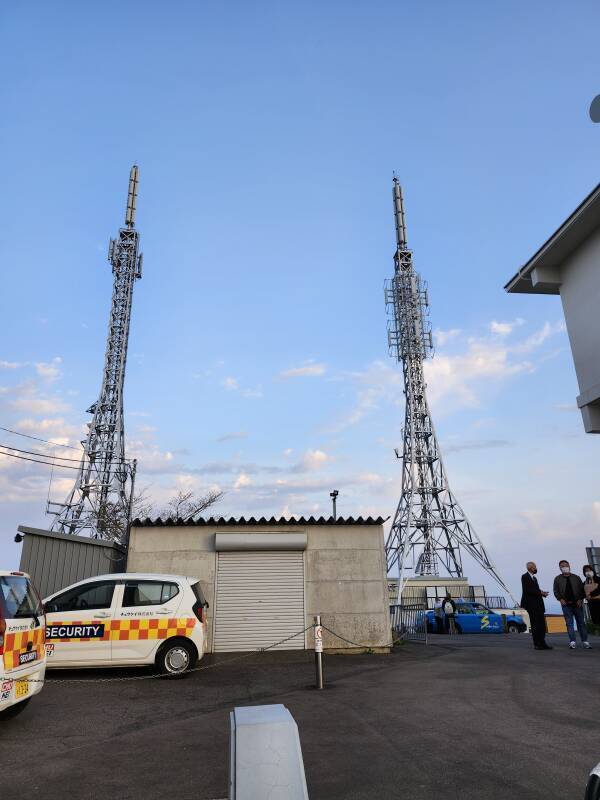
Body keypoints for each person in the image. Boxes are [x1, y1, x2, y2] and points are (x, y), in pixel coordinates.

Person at [553, 560, 591, 649]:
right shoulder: (557, 579)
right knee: (569, 624)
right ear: (560, 568)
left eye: (566, 565)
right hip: (566, 605)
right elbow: (556, 590)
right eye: (562, 566)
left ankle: (585, 641)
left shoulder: (576, 577)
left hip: (577, 604)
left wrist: (581, 599)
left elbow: (582, 590)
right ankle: (572, 641)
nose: (564, 567)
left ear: (569, 566)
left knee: (581, 623)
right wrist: (560, 599)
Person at [520, 561, 552, 650]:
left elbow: (535, 589)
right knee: (535, 625)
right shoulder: (525, 577)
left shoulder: (534, 578)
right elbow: (528, 590)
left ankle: (543, 643)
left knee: (541, 625)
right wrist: (541, 593)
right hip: (531, 605)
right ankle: (537, 644)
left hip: (538, 604)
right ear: (530, 567)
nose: (536, 568)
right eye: (534, 567)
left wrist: (542, 593)